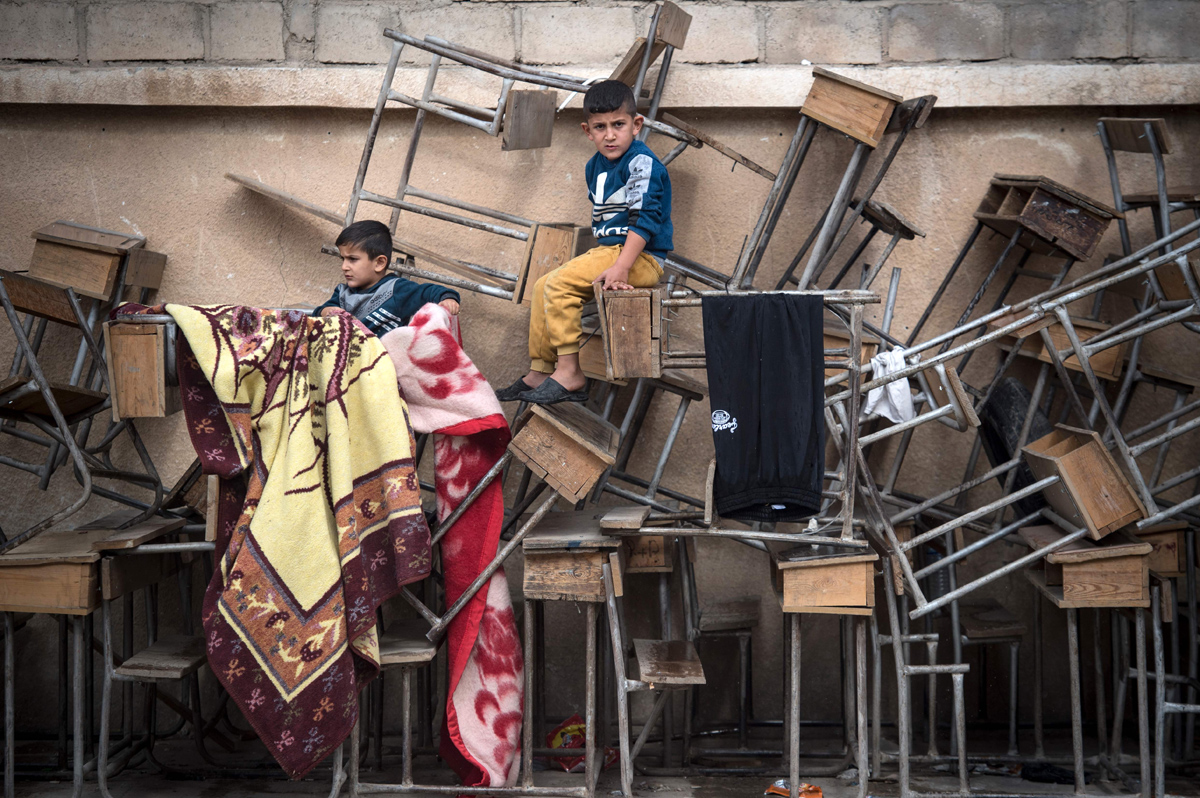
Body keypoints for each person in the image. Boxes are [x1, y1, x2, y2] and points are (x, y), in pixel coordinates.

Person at [495, 79, 672, 405]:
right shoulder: (594, 166)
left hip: (640, 257)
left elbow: (645, 220)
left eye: (618, 125)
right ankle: (540, 370)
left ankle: (570, 372)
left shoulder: (641, 163)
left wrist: (621, 266)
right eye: (600, 127)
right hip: (610, 252)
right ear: (587, 131)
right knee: (541, 286)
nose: (609, 134)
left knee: (560, 285)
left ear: (636, 125)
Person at [315, 220, 460, 335]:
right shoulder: (342, 294)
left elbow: (429, 292)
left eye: (352, 259)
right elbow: (318, 313)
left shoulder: (397, 290)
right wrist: (326, 312)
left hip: (383, 367)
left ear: (379, 263)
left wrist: (448, 299)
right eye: (343, 259)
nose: (344, 266)